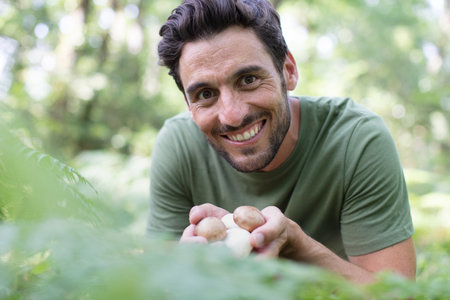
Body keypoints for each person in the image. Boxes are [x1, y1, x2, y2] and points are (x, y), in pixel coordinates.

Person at [147, 0, 416, 284]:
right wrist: (186, 270)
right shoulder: (177, 146)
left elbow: (397, 293)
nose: (232, 116)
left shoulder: (356, 140)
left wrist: (298, 247)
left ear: (288, 70)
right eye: (204, 94)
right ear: (189, 106)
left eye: (248, 79)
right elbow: (151, 284)